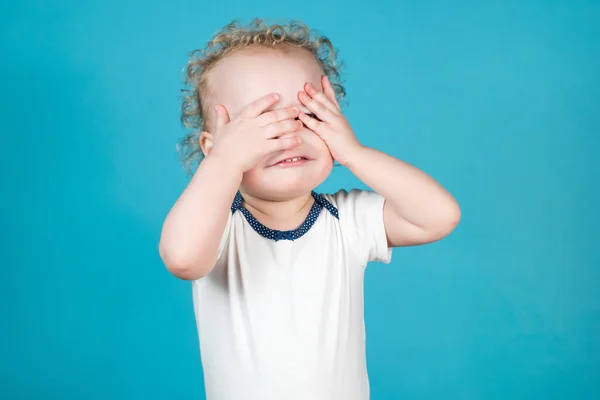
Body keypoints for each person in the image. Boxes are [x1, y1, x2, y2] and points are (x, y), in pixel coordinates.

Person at [159, 19, 460, 400]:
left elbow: (439, 216)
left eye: (307, 116)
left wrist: (355, 154)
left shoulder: (347, 221)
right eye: (261, 125)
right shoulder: (217, 226)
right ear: (212, 145)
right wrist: (223, 163)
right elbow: (183, 258)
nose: (288, 135)